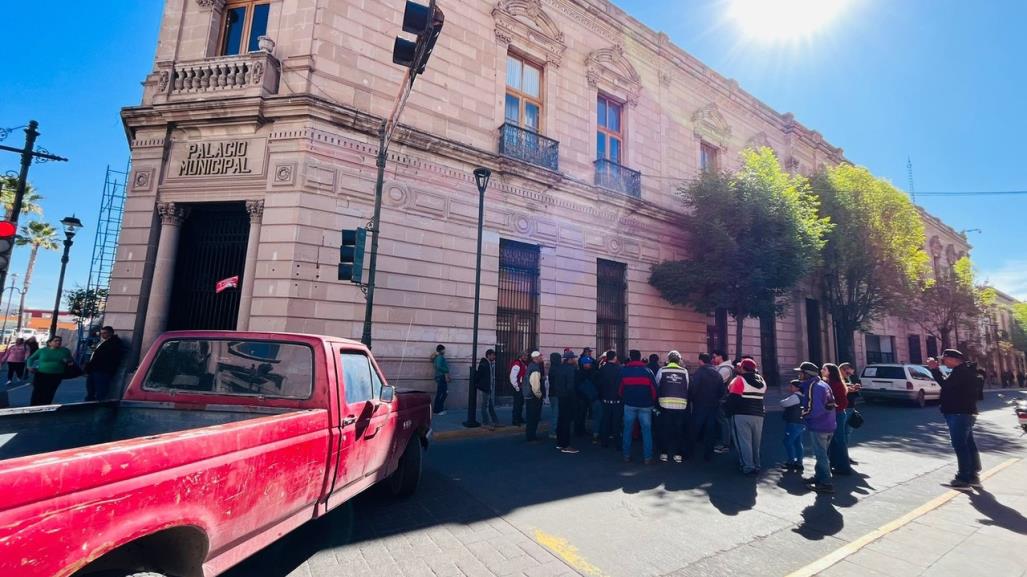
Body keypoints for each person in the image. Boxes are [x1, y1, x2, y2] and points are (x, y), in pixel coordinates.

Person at [928, 349, 984, 489]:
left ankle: (963, 478)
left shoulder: (962, 372)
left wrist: (935, 370)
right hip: (964, 412)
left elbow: (946, 386)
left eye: (944, 359)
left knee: (960, 445)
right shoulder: (964, 371)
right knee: (968, 443)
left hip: (959, 413)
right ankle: (973, 475)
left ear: (953, 359)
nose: (943, 362)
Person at [797, 362, 837, 493]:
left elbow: (815, 409)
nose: (799, 375)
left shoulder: (813, 387)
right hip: (829, 423)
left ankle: (826, 483)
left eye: (801, 372)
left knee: (821, 455)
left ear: (807, 374)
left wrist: (803, 414)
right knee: (822, 453)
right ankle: (819, 477)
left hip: (819, 425)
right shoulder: (823, 384)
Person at [725, 358, 766, 475]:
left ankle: (747, 466)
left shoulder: (739, 380)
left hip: (741, 414)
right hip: (758, 415)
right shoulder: (762, 381)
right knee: (755, 443)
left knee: (743, 442)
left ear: (743, 368)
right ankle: (756, 465)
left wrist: (727, 411)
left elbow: (733, 399)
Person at [620, 350, 658, 464]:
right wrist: (652, 402)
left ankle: (626, 455)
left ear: (630, 358)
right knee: (646, 431)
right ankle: (647, 457)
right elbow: (654, 390)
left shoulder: (624, 371)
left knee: (627, 430)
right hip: (646, 405)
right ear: (640, 358)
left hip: (629, 404)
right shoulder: (648, 371)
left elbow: (620, 390)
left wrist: (626, 398)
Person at [686, 352, 725, 462]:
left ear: (701, 361)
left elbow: (693, 388)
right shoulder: (717, 373)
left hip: (700, 405)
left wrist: (692, 399)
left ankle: (690, 452)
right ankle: (708, 454)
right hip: (713, 405)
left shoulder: (700, 372)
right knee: (710, 430)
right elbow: (722, 391)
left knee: (695, 428)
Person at [655, 350, 690, 463]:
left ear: (668, 359)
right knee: (679, 430)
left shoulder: (662, 370)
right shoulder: (684, 371)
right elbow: (687, 386)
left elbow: (657, 384)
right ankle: (678, 454)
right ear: (679, 360)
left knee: (665, 429)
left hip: (665, 404)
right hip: (681, 405)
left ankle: (664, 453)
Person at [822, 363, 855, 475]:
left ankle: (844, 467)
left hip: (837, 414)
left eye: (824, 369)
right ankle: (834, 463)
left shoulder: (834, 383)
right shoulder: (831, 383)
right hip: (837, 413)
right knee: (833, 441)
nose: (822, 370)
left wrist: (833, 408)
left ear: (830, 372)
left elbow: (842, 402)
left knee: (839, 440)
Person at [27, 336, 76, 406]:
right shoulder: (42, 351)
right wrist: (29, 366)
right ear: (49, 343)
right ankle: (33, 406)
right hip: (42, 374)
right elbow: (31, 359)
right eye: (55, 341)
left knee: (50, 391)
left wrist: (67, 361)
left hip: (56, 375)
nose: (58, 342)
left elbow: (71, 361)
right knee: (37, 390)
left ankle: (45, 406)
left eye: (59, 341)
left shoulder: (65, 351)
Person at [84, 326, 123, 401]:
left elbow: (110, 357)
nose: (102, 335)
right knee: (90, 389)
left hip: (102, 370)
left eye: (105, 333)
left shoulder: (114, 342)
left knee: (100, 390)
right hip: (94, 369)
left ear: (111, 333)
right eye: (101, 333)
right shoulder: (103, 342)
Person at [552, 351, 579, 453]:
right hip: (568, 397)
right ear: (570, 359)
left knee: (561, 420)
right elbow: (570, 386)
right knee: (566, 422)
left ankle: (560, 443)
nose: (574, 360)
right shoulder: (570, 369)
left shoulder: (559, 368)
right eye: (573, 358)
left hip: (560, 396)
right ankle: (566, 445)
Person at [596, 350, 622, 448]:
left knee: (605, 421)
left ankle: (604, 442)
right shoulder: (620, 369)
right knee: (617, 422)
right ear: (615, 358)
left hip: (605, 399)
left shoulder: (602, 369)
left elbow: (598, 383)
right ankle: (618, 443)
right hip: (617, 399)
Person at [780, 379, 805, 472]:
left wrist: (783, 401)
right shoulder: (803, 396)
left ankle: (791, 461)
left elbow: (783, 403)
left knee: (787, 441)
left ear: (797, 387)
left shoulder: (795, 397)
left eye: (791, 386)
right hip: (801, 422)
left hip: (793, 422)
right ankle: (799, 462)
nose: (789, 387)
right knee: (798, 442)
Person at [839, 362, 861, 466]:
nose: (849, 375)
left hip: (851, 408)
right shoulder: (838, 379)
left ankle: (845, 455)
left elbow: (850, 389)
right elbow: (841, 390)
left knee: (847, 433)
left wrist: (854, 388)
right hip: (844, 409)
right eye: (848, 373)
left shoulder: (848, 379)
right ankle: (841, 456)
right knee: (841, 433)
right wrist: (849, 389)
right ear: (843, 369)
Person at [712, 350, 734, 454]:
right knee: (723, 421)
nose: (713, 359)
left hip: (722, 399)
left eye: (715, 357)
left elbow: (715, 382)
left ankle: (726, 444)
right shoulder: (723, 368)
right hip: (723, 398)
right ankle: (725, 442)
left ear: (721, 357)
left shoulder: (725, 369)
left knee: (724, 421)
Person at [575, 356, 601, 443]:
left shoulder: (582, 372)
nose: (589, 364)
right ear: (583, 364)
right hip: (584, 397)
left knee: (583, 414)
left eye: (589, 363)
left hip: (585, 396)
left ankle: (581, 430)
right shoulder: (583, 373)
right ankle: (579, 430)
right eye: (587, 363)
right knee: (581, 414)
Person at [524, 352, 545, 441]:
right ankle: (532, 436)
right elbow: (535, 385)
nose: (542, 358)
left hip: (529, 396)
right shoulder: (535, 368)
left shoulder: (531, 366)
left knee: (530, 417)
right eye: (540, 356)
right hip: (534, 397)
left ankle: (530, 435)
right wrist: (539, 395)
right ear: (536, 358)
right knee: (533, 417)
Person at [475, 349, 499, 430]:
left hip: (489, 387)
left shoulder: (490, 364)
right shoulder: (484, 364)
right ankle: (485, 422)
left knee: (490, 405)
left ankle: (495, 421)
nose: (494, 356)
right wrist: (481, 385)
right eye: (493, 355)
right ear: (488, 355)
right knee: (484, 405)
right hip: (485, 387)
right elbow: (478, 376)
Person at [509, 351, 529, 426]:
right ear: (521, 356)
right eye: (525, 356)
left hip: (522, 387)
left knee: (520, 404)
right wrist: (516, 387)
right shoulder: (517, 364)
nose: (527, 357)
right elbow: (513, 377)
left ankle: (519, 418)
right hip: (518, 387)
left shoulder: (523, 364)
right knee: (517, 404)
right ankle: (515, 420)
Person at [431, 344, 450, 415]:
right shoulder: (440, 357)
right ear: (441, 350)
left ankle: (437, 409)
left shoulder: (439, 357)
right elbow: (438, 366)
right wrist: (446, 370)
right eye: (444, 349)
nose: (444, 351)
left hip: (440, 376)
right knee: (443, 393)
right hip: (441, 376)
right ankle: (438, 410)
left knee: (441, 393)